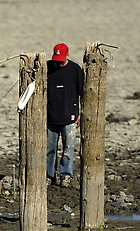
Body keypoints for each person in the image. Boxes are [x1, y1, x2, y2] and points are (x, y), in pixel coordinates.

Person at [46, 43, 83, 188]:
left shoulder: (75, 70)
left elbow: (82, 93)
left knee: (68, 148)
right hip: (51, 117)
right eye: (57, 59)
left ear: (67, 55)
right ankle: (49, 175)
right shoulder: (47, 68)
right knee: (50, 149)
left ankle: (66, 175)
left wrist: (80, 113)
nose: (59, 62)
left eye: (61, 59)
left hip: (69, 117)